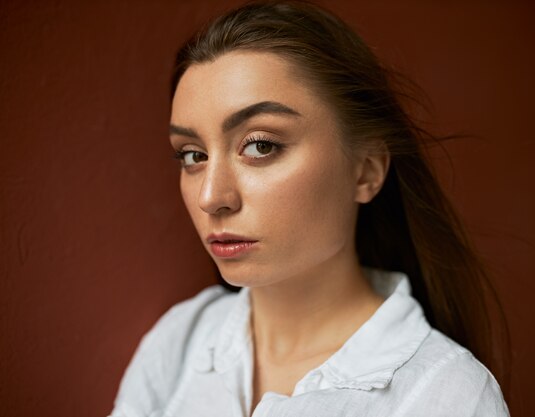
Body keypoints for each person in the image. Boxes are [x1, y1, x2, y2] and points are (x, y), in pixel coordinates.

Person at [109, 1, 510, 416]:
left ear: (365, 171)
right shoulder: (180, 341)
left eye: (261, 145)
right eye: (193, 156)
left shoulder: (444, 394)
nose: (211, 197)